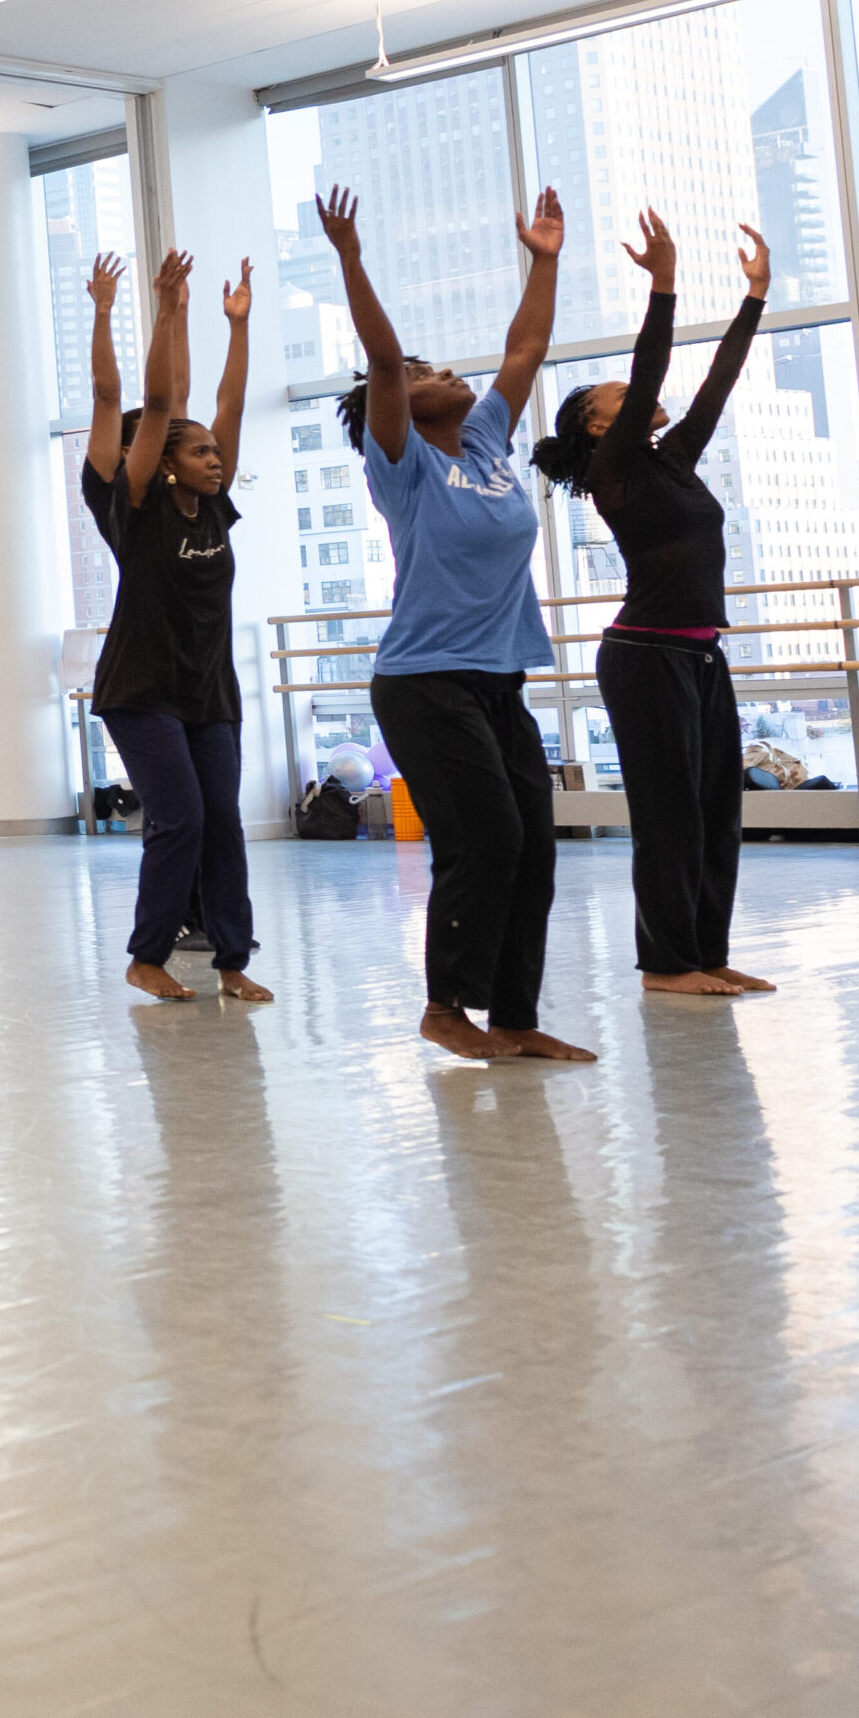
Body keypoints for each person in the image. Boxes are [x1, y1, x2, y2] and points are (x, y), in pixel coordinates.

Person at [320, 181, 594, 1066]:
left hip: (496, 677)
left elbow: (526, 346)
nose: (446, 372)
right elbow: (382, 352)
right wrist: (352, 262)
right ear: (392, 403)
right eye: (424, 373)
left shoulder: (481, 445)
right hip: (422, 684)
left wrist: (543, 260)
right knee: (486, 840)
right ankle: (444, 1007)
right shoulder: (397, 462)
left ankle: (513, 1016)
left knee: (535, 849)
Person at [531, 211, 776, 998]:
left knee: (715, 812)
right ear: (599, 425)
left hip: (700, 651)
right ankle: (665, 965)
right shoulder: (614, 470)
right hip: (645, 657)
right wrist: (662, 285)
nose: (635, 395)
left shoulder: (670, 462)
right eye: (616, 395)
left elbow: (717, 382)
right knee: (669, 815)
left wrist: (754, 299)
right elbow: (651, 368)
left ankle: (705, 951)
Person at [91, 248, 272, 1005]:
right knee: (182, 819)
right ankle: (146, 955)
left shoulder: (216, 506)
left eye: (215, 453)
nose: (214, 459)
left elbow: (224, 401)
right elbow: (152, 401)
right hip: (142, 687)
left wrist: (237, 326)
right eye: (198, 452)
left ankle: (232, 960)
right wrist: (163, 311)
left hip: (208, 691)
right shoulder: (136, 506)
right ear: (160, 462)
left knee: (223, 822)